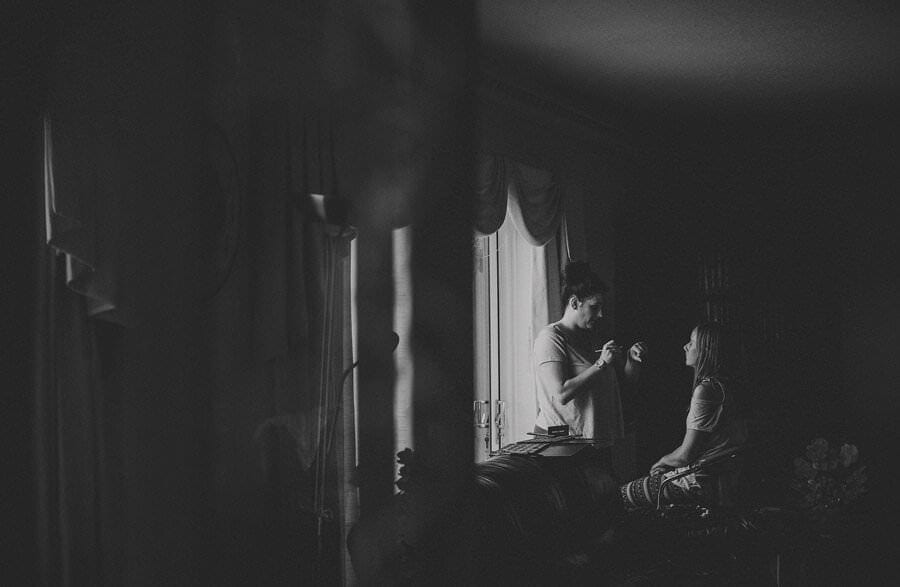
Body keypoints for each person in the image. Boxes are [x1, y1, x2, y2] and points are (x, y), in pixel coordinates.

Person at [619, 321, 748, 510]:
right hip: (720, 480)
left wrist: (661, 462)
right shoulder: (723, 387)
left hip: (698, 482)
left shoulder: (707, 391)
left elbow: (686, 455)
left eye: (692, 342)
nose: (685, 346)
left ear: (706, 350)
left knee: (619, 497)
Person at [533, 261, 647, 447]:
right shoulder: (551, 338)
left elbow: (623, 385)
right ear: (574, 303)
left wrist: (633, 361)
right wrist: (601, 364)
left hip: (593, 440)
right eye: (594, 307)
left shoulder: (593, 337)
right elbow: (561, 393)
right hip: (561, 443)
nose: (600, 315)